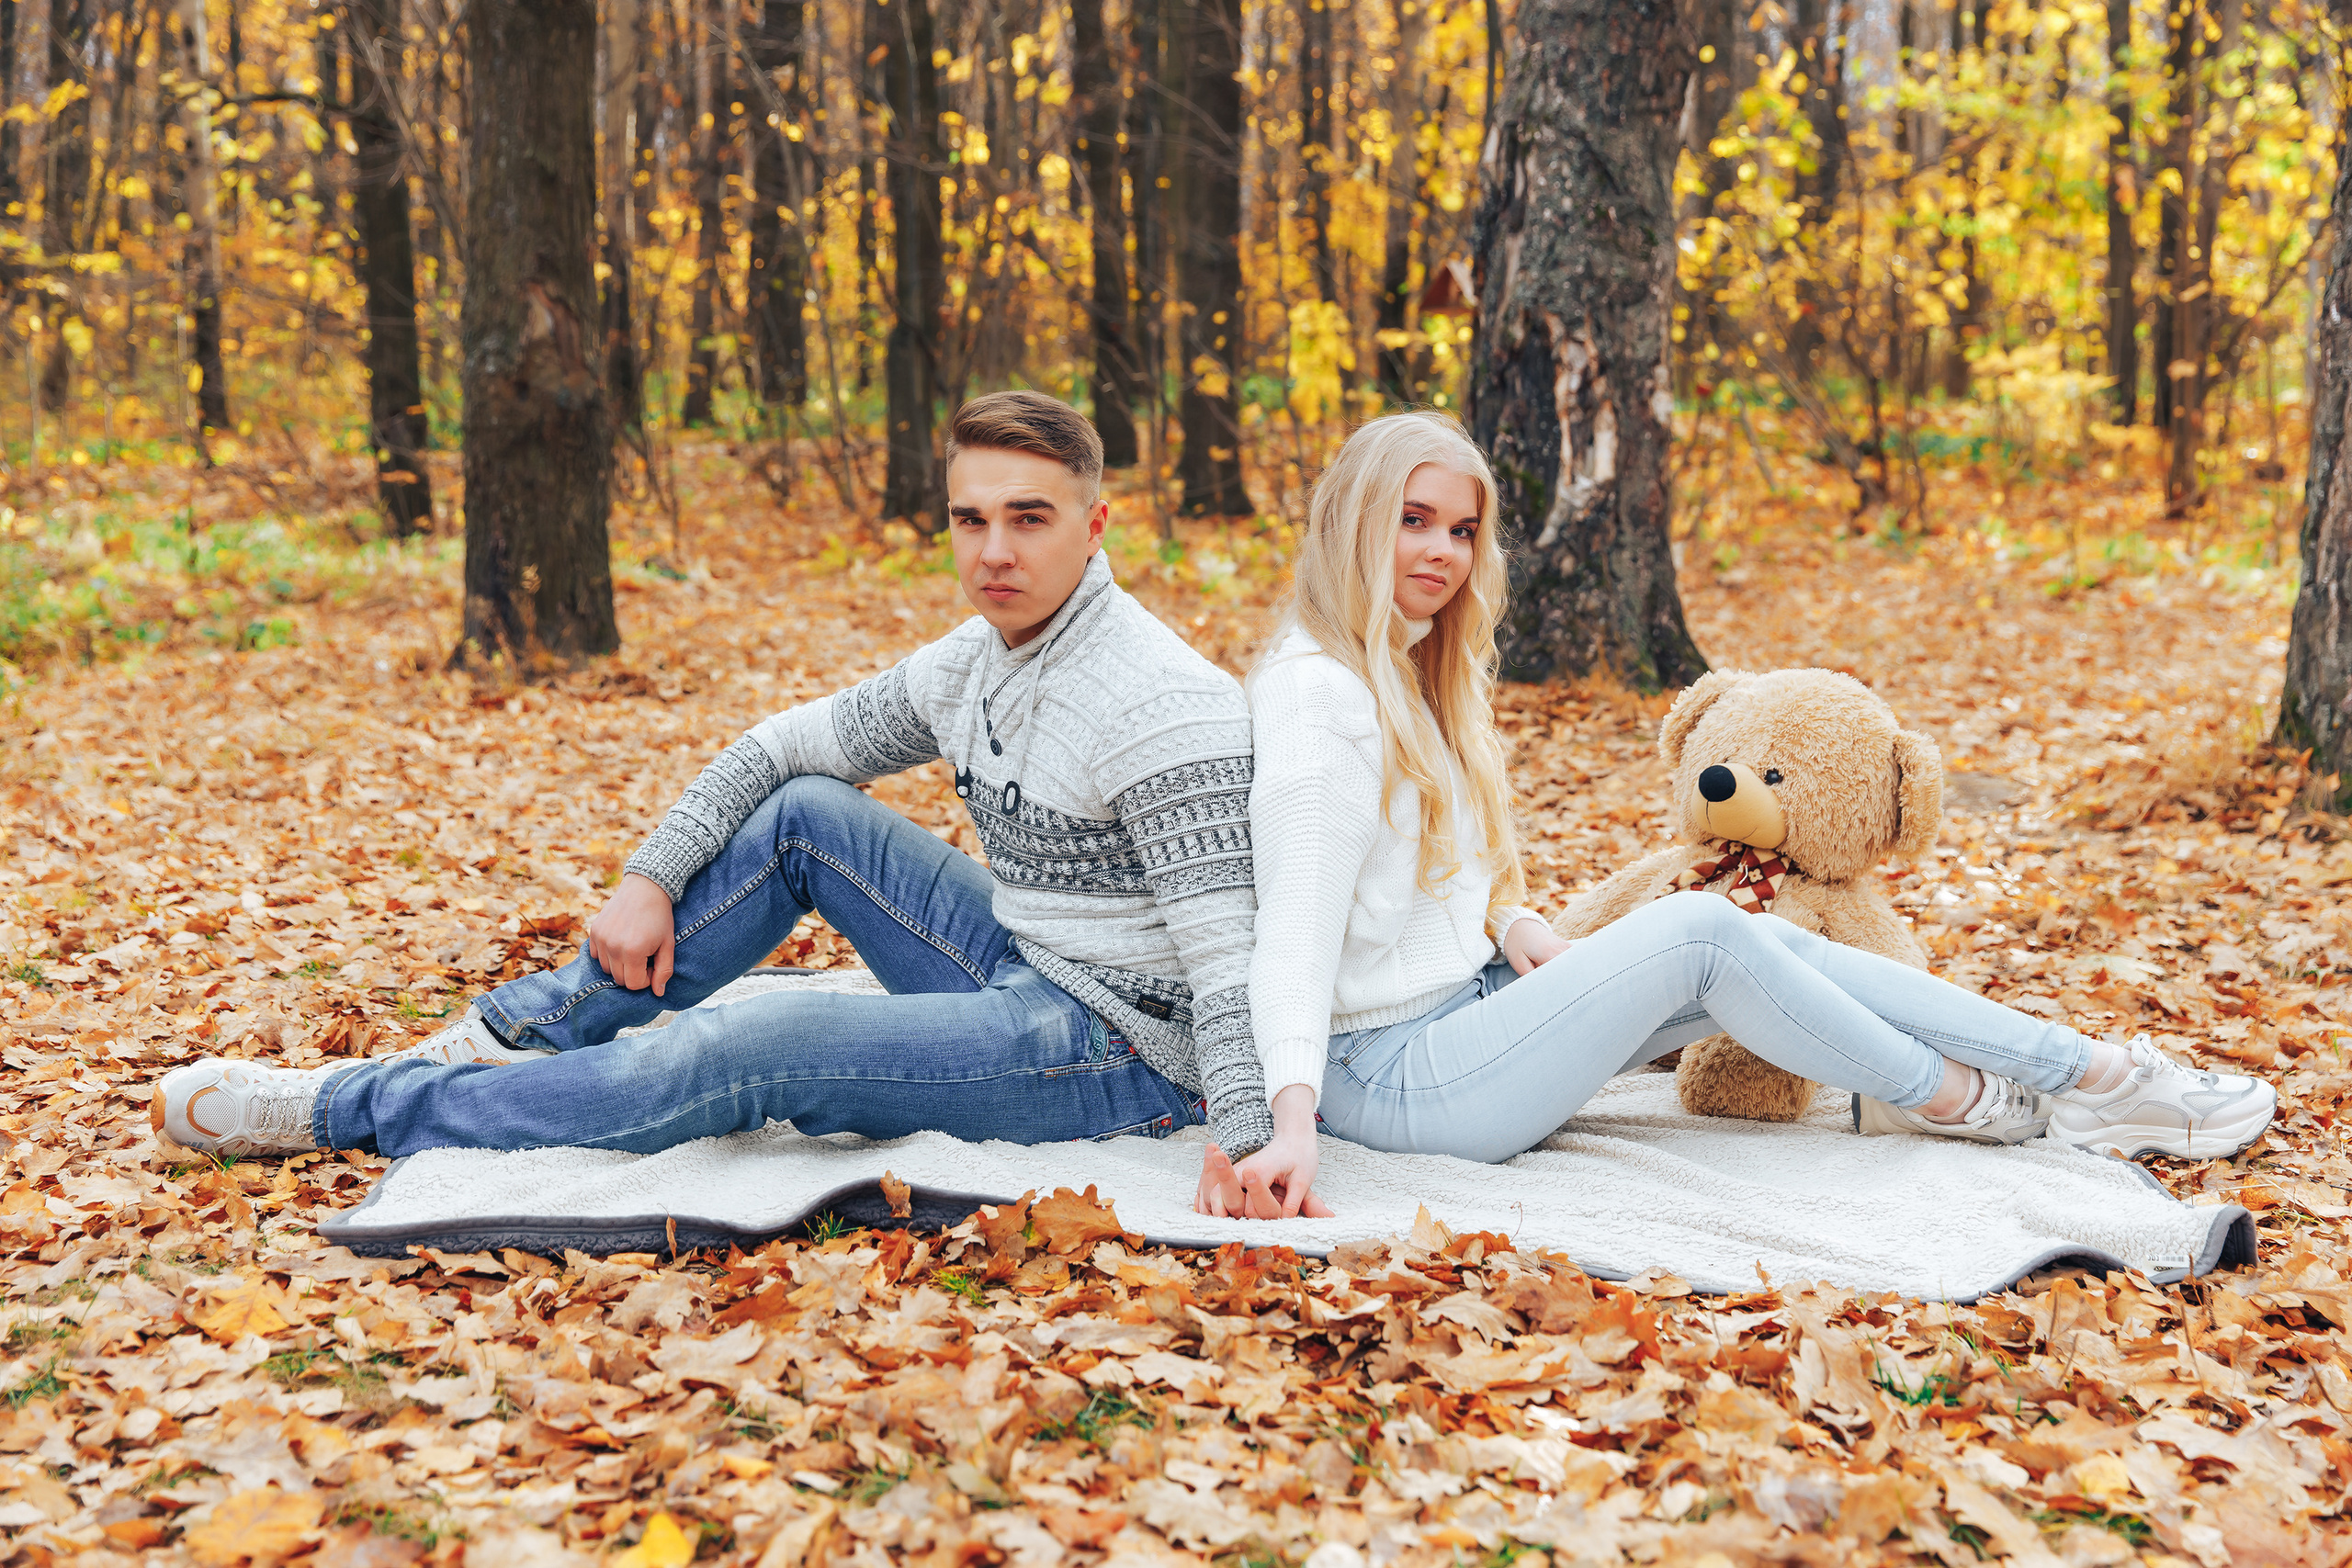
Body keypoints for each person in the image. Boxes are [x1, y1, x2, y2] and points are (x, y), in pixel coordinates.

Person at [1191, 411, 2276, 1221]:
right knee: (1704, 928)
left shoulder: (1412, 671)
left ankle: (2094, 1077)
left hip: (1467, 1011)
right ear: (1351, 524)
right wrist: (1288, 1126)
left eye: (1461, 529)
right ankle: (1957, 1097)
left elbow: (1444, 875)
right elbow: (1289, 931)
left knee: (1759, 934)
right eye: (1411, 522)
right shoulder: (1317, 697)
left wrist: (1513, 927)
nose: (1440, 552)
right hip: (1390, 1077)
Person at [153, 391, 1275, 1164]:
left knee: (747, 1050)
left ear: (1095, 524)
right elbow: (780, 747)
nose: (993, 553)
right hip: (1025, 955)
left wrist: (1245, 1141)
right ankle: (513, 1040)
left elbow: (1230, 962)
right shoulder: (973, 662)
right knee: (803, 816)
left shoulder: (1159, 700)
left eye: (1028, 520)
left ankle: (360, 1107)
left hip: (1124, 1047)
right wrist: (651, 875)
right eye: (970, 519)